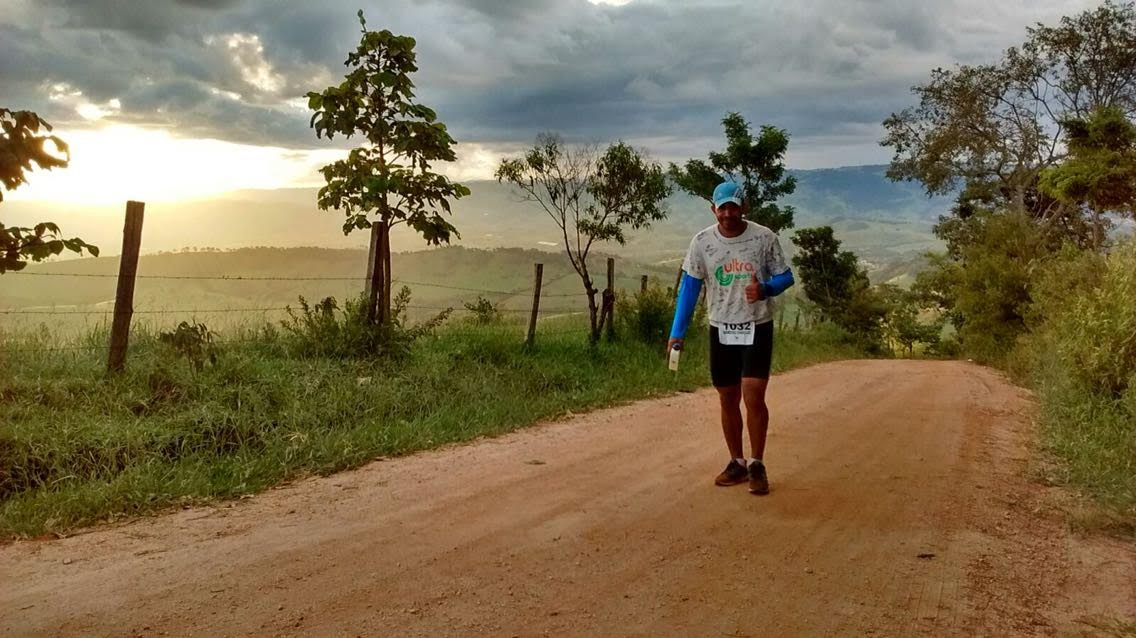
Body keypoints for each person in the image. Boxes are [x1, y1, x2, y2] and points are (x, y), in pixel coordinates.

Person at [667, 180, 795, 495]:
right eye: (722, 208)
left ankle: (757, 464)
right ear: (713, 209)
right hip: (721, 327)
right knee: (727, 397)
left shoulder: (764, 238)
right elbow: (690, 288)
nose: (727, 214)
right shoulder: (701, 243)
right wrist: (676, 332)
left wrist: (765, 288)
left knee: (753, 395)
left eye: (733, 207)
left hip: (756, 325)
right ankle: (736, 461)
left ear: (743, 208)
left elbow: (786, 276)